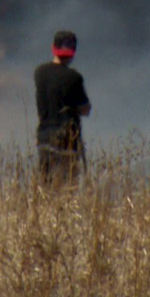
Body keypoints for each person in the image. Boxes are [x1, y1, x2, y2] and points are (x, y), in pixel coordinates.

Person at [34, 30, 91, 183]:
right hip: (67, 139)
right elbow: (85, 108)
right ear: (73, 52)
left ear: (53, 47)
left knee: (45, 184)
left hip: (44, 136)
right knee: (67, 187)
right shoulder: (74, 77)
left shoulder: (39, 73)